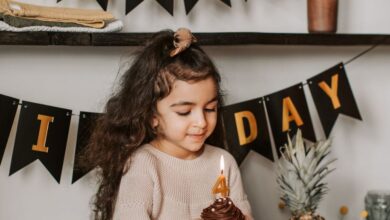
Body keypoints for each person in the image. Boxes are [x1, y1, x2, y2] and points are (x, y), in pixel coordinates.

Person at [82, 28, 252, 220]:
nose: (201, 122)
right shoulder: (144, 164)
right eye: (184, 112)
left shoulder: (224, 162)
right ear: (152, 114)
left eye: (210, 109)